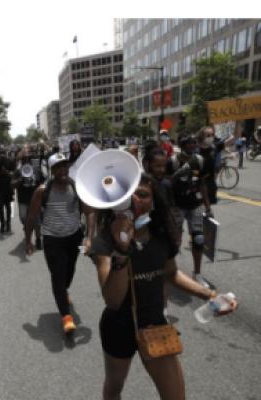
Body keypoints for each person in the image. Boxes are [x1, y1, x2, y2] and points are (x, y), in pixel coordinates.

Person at [90, 173, 237, 400]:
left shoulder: (162, 236)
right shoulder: (104, 241)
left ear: (154, 201)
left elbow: (171, 273)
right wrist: (121, 249)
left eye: (143, 195)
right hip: (118, 327)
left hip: (155, 324)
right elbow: (113, 300)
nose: (136, 200)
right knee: (114, 386)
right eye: (130, 195)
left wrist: (209, 294)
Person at [24, 153, 96, 335]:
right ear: (52, 170)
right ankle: (66, 317)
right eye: (58, 167)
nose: (63, 170)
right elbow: (31, 217)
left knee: (70, 270)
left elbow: (89, 212)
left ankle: (63, 293)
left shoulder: (76, 187)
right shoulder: (42, 190)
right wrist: (28, 241)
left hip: (75, 237)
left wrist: (89, 238)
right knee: (58, 275)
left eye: (65, 166)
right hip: (52, 240)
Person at [167, 133, 212, 288]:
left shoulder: (199, 161)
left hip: (195, 204)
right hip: (177, 205)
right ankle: (170, 271)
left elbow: (202, 185)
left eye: (194, 143)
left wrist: (208, 206)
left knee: (198, 238)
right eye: (189, 143)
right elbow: (166, 185)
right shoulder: (172, 161)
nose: (193, 146)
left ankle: (197, 273)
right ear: (182, 145)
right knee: (176, 240)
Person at [13, 150, 45, 249]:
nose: (26, 161)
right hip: (22, 200)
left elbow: (43, 183)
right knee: (24, 219)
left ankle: (38, 239)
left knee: (37, 221)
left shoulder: (36, 170)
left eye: (28, 159)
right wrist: (20, 179)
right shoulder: (18, 171)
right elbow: (12, 184)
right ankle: (27, 230)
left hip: (35, 199)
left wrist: (37, 179)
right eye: (24, 159)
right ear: (21, 161)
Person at [196, 125, 235, 205]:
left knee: (208, 211)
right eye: (208, 135)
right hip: (198, 187)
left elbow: (234, 137)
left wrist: (238, 121)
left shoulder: (214, 147)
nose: (211, 137)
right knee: (199, 210)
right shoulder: (195, 150)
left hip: (211, 186)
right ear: (201, 136)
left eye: (212, 135)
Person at [0, 150, 15, 234]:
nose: (2, 156)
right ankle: (4, 224)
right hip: (2, 186)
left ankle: (6, 224)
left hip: (5, 186)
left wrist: (7, 172)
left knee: (5, 207)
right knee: (3, 207)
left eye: (3, 155)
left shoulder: (7, 161)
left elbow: (13, 172)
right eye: (1, 155)